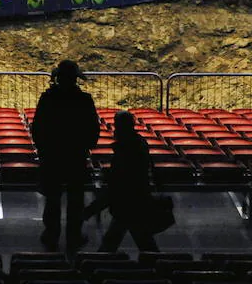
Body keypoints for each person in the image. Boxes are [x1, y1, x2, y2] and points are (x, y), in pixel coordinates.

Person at [31, 59, 99, 251]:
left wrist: (44, 149)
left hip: (52, 155)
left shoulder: (48, 98)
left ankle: (51, 234)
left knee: (52, 198)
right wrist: (85, 147)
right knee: (75, 199)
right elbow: (93, 128)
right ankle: (73, 235)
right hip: (76, 156)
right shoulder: (84, 100)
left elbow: (38, 127)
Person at [94, 111, 160, 253]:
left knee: (115, 239)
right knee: (141, 239)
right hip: (136, 199)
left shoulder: (125, 148)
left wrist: (95, 207)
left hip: (127, 201)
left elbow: (119, 180)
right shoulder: (138, 143)